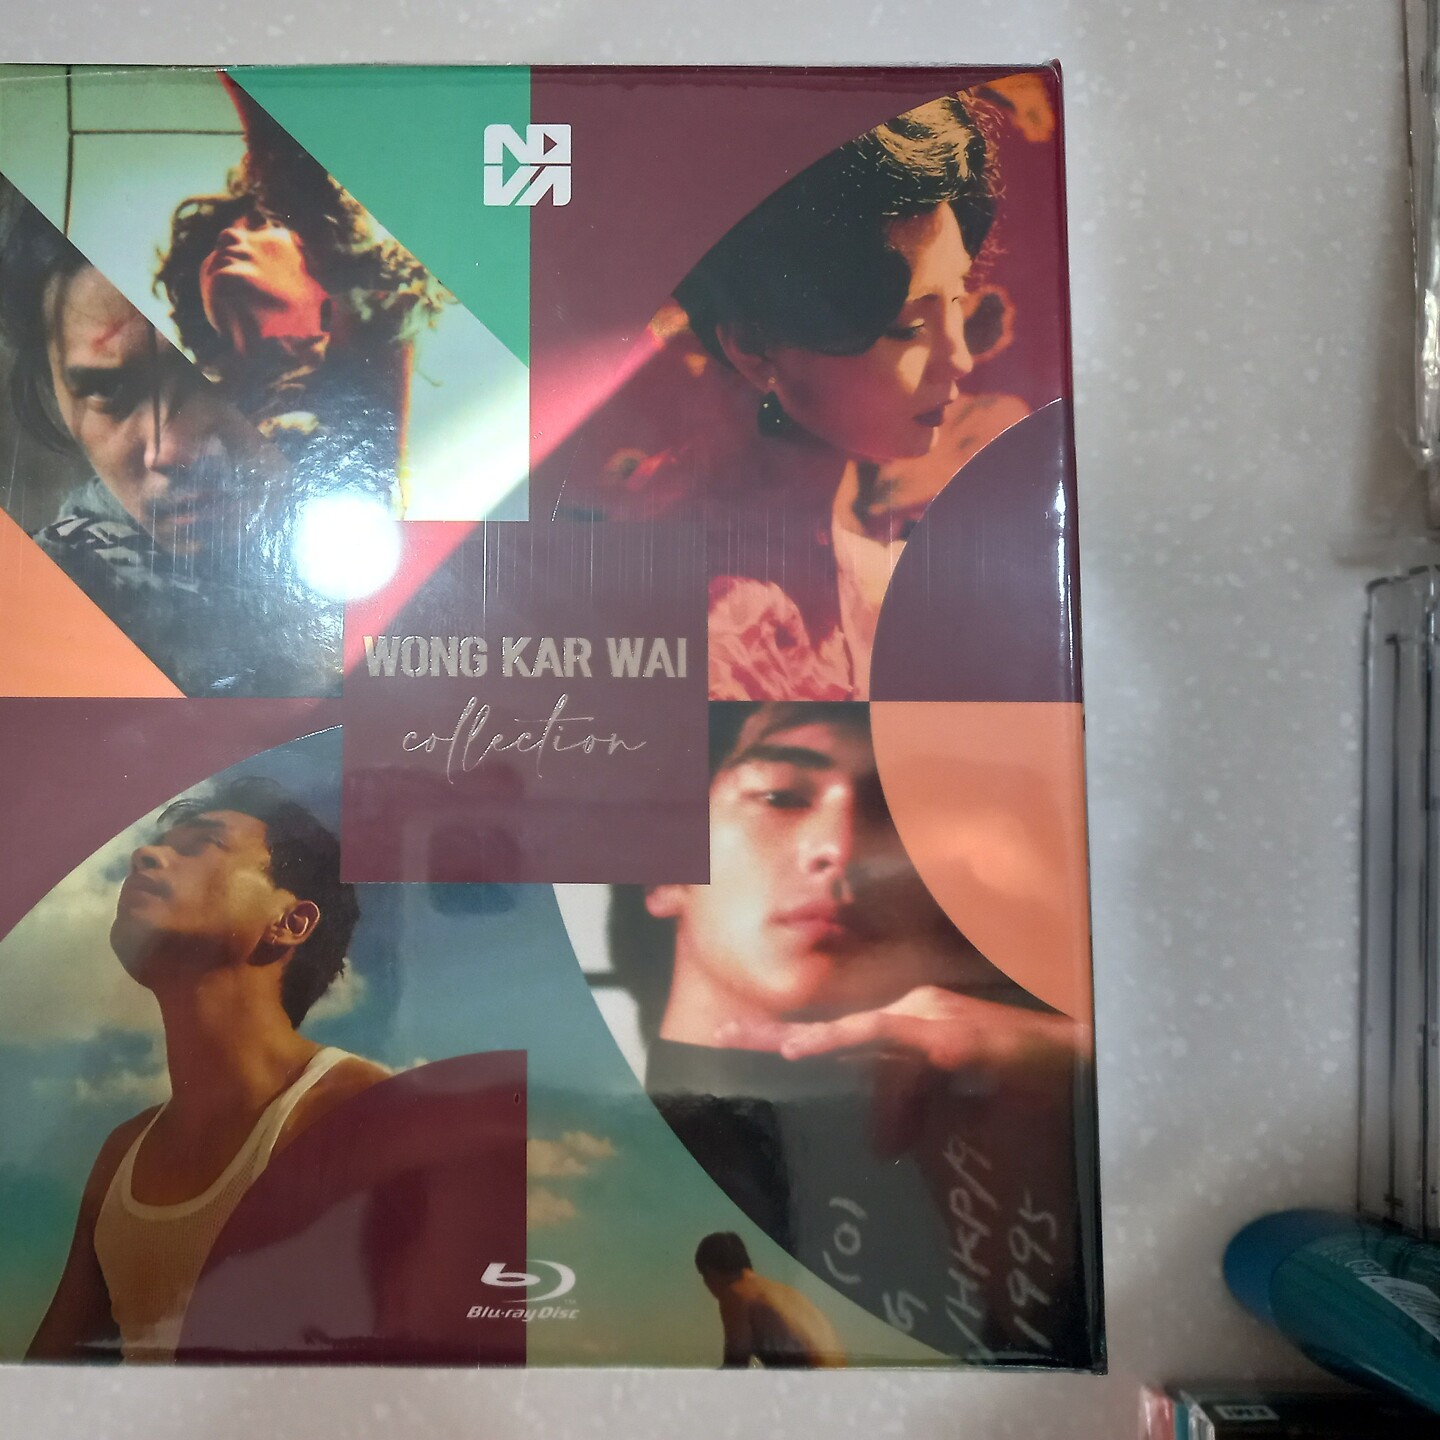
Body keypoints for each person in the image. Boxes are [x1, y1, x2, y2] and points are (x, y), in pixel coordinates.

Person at [611, 702, 1097, 1365]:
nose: (840, 849)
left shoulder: (1043, 1093)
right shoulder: (588, 1180)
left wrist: (1092, 1077)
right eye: (781, 796)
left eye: (893, 814)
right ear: (664, 866)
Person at [557, 95, 1027, 700]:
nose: (958, 358)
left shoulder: (884, 583)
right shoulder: (707, 621)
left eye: (957, 300)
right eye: (908, 327)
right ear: (756, 347)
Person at [28, 776, 390, 1362]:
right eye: (157, 846)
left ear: (291, 921)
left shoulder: (367, 1116)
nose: (145, 856)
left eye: (202, 846)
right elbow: (45, 1377)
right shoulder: (121, 1156)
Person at [0, 175, 340, 697]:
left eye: (222, 377)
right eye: (107, 390)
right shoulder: (40, 616)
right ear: (53, 390)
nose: (167, 450)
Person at [153, 77, 445, 513]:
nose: (229, 236)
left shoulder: (371, 336)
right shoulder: (194, 408)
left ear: (325, 274)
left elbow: (304, 182)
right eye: (214, 243)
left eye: (260, 224)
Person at [693, 1231, 844, 1368]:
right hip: (840, 1379)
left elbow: (735, 1366)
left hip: (811, 1382)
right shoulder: (782, 1291)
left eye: (704, 1276)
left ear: (710, 1272)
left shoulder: (737, 1293)